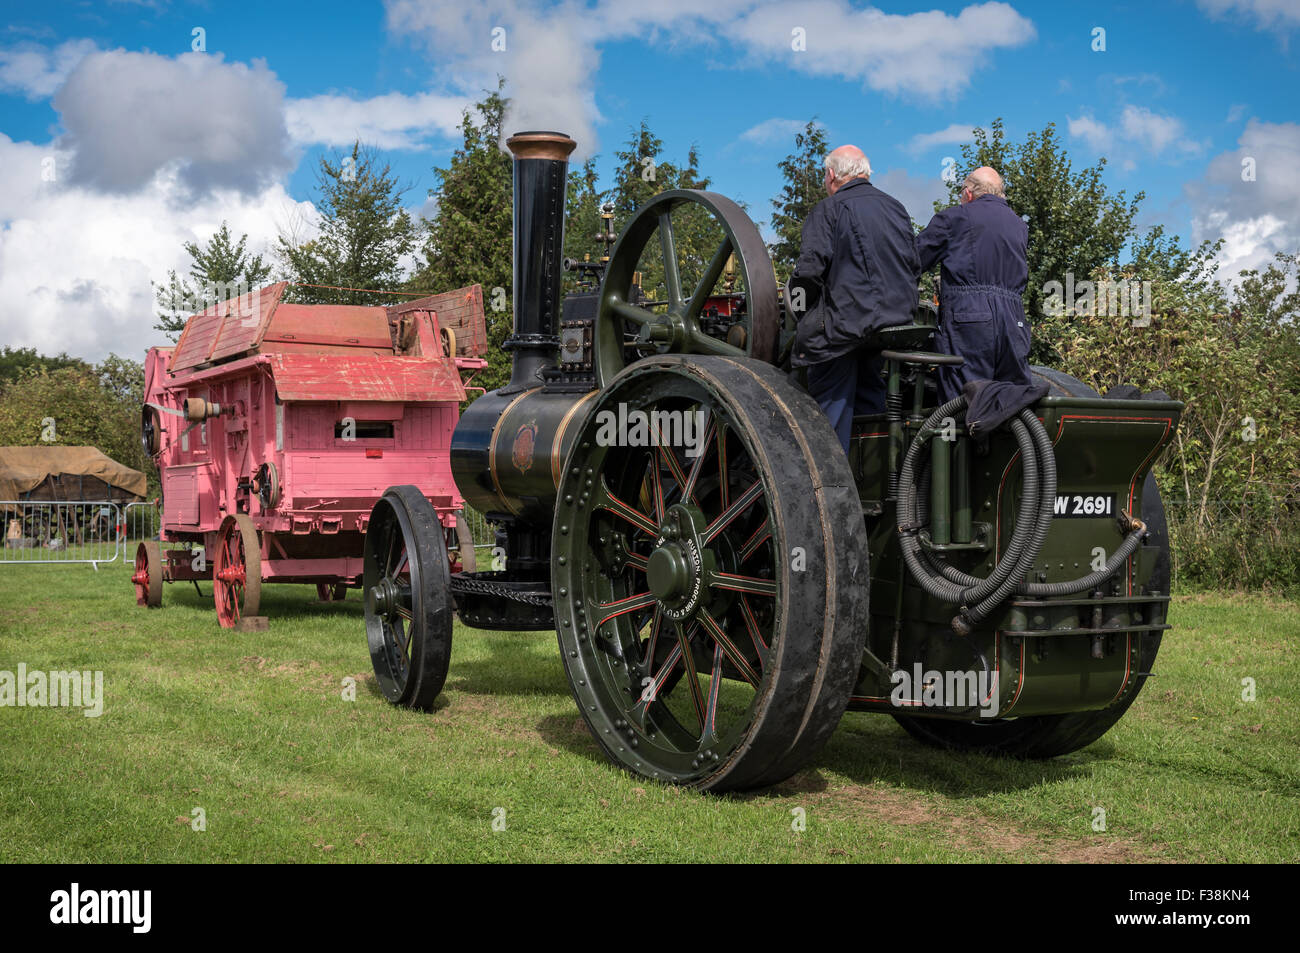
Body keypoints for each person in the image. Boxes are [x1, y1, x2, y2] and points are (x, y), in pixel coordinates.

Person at [790, 145, 921, 452]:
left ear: (832, 175)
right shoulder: (896, 208)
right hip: (893, 326)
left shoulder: (829, 209)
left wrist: (801, 314)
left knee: (827, 416)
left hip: (845, 329)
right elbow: (914, 265)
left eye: (825, 174)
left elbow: (808, 273)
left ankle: (830, 490)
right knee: (869, 398)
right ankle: (868, 485)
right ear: (864, 172)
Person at [916, 166, 1031, 402]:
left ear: (968, 193)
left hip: (970, 321)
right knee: (1010, 401)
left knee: (961, 403)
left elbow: (912, 260)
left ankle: (956, 439)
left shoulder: (954, 217)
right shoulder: (1020, 226)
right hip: (1014, 323)